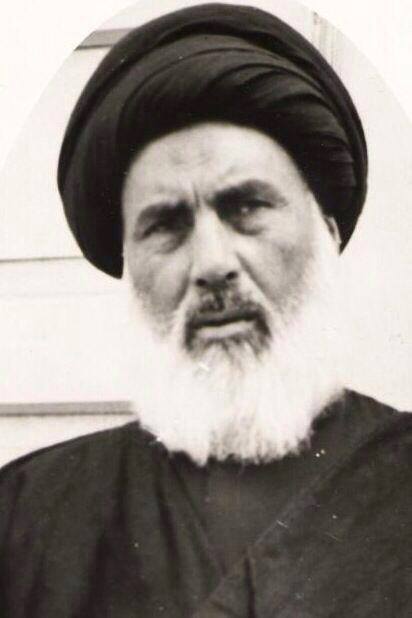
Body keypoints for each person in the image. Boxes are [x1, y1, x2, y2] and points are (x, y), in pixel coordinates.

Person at [0, 3, 411, 617]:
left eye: (246, 208)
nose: (212, 264)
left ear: (326, 233)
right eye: (166, 225)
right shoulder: (24, 516)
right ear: (129, 265)